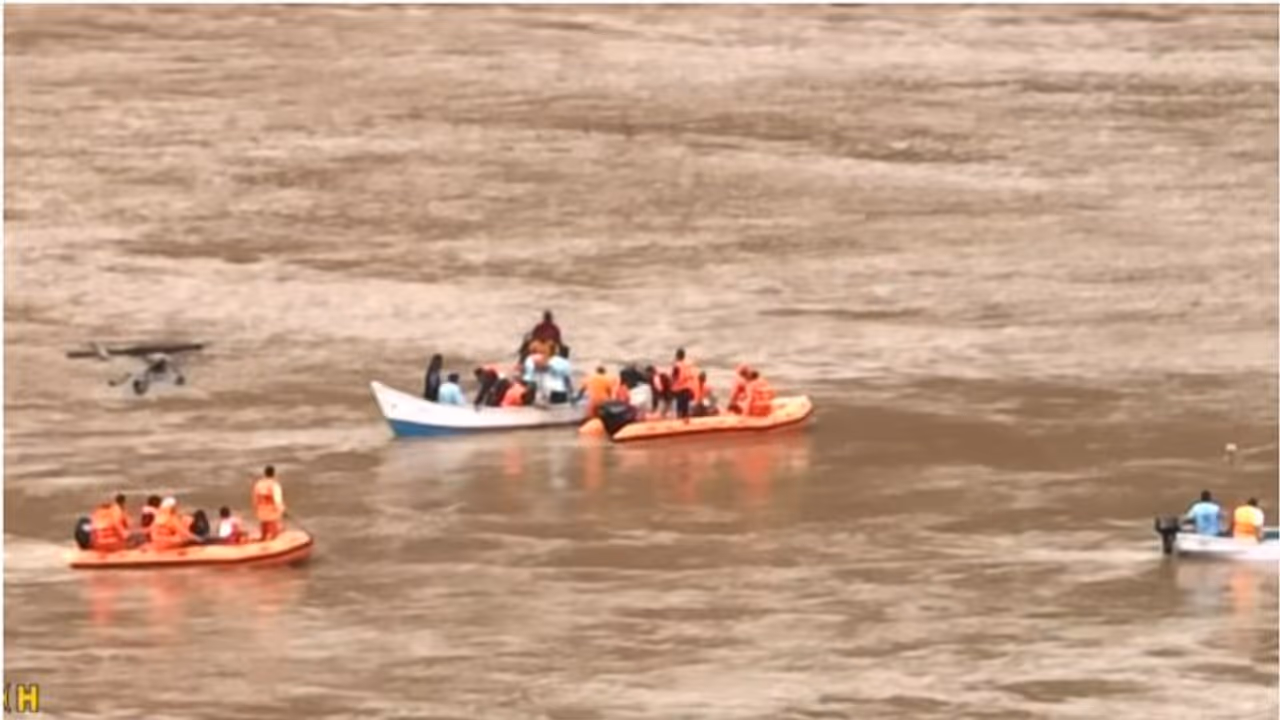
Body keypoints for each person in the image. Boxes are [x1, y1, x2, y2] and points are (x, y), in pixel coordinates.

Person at [253, 465, 286, 541]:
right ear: (274, 474)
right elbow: (277, 499)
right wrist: (282, 509)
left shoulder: (258, 484)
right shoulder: (275, 485)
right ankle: (273, 540)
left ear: (264, 473)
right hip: (271, 509)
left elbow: (255, 496)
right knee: (273, 525)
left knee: (264, 523)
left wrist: (256, 507)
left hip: (261, 508)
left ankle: (263, 537)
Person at [670, 348, 700, 420]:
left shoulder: (676, 366)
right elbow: (692, 376)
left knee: (679, 409)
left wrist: (671, 387)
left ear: (677, 356)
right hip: (687, 388)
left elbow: (674, 377)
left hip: (679, 389)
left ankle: (679, 424)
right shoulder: (688, 365)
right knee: (685, 409)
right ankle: (686, 423)